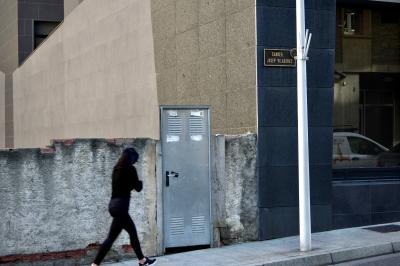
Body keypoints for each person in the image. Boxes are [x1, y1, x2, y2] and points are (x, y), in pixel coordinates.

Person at [91, 148, 156, 266]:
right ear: (132, 159)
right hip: (121, 208)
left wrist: (132, 184)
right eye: (135, 160)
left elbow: (122, 188)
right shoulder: (131, 169)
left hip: (113, 206)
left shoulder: (116, 169)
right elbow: (138, 188)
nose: (135, 162)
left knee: (112, 238)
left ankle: (142, 260)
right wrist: (140, 182)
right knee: (131, 234)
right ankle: (142, 261)